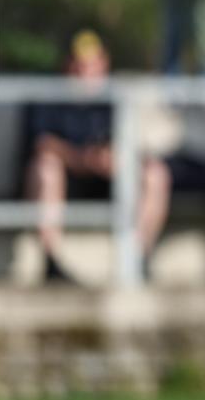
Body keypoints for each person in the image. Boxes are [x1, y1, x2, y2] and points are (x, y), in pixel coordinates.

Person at [24, 30, 172, 283]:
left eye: (92, 64)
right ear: (68, 65)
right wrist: (81, 158)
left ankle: (135, 261)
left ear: (104, 63)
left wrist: (114, 158)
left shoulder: (116, 98)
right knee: (47, 169)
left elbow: (133, 145)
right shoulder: (49, 95)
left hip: (106, 180)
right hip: (66, 182)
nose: (86, 72)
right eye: (80, 65)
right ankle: (51, 263)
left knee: (156, 173)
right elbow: (42, 144)